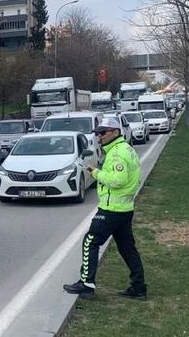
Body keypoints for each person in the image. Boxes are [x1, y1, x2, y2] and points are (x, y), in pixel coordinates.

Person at [63, 116, 147, 300]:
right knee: (127, 248)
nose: (99, 136)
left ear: (115, 132)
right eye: (97, 133)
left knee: (90, 241)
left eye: (103, 133)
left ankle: (86, 284)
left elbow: (118, 180)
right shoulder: (126, 149)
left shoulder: (117, 153)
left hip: (112, 209)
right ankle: (139, 287)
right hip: (124, 208)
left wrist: (95, 172)